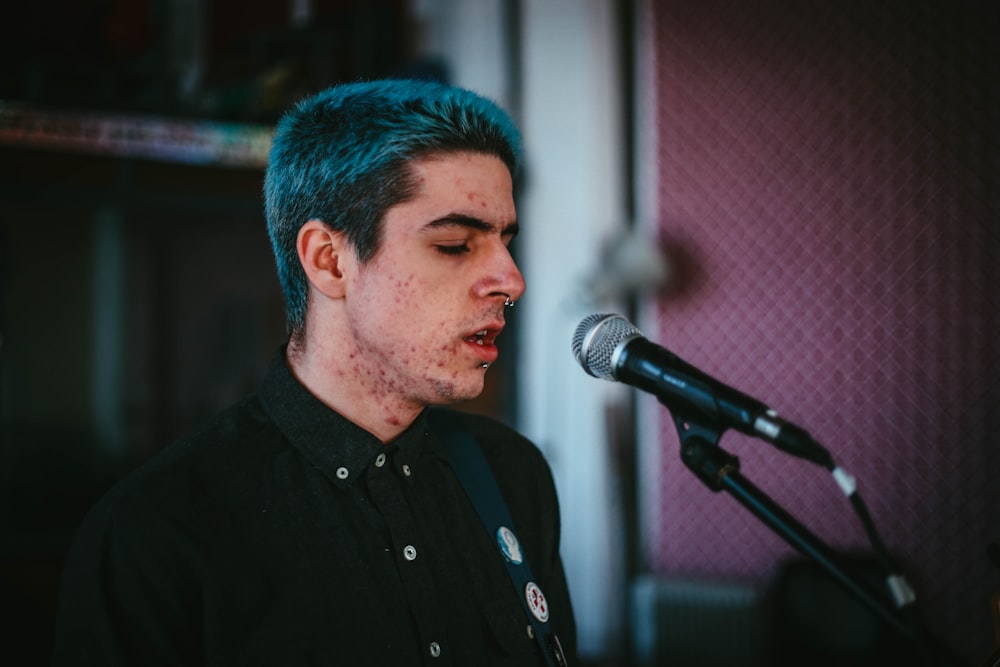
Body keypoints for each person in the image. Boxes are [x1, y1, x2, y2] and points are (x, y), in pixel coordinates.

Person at [52, 79, 576, 666]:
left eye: (506, 241)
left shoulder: (512, 473)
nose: (511, 281)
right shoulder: (156, 531)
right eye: (455, 245)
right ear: (330, 260)